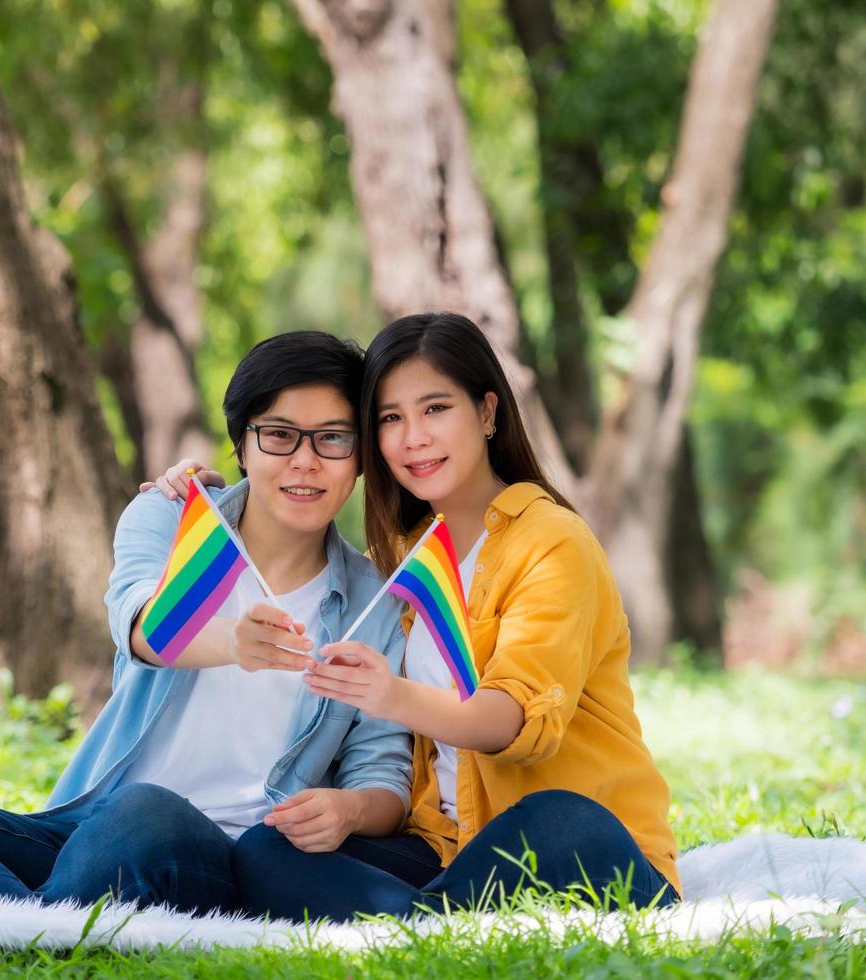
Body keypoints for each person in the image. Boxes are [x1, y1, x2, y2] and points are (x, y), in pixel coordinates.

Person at [0, 331, 412, 915]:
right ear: (242, 446)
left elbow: (383, 770)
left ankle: (20, 931)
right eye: (279, 435)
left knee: (147, 810)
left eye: (333, 438)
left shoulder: (377, 605)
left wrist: (349, 812)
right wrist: (233, 643)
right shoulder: (172, 519)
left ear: (362, 457)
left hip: (220, 854)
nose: (305, 460)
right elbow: (138, 628)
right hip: (90, 829)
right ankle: (33, 932)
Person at [154, 312, 680, 922]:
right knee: (269, 851)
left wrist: (388, 693)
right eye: (390, 419)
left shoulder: (551, 542)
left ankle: (412, 923)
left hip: (583, 848)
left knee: (555, 817)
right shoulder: (402, 561)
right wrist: (217, 492)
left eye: (435, 409)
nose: (413, 438)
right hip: (447, 852)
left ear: (486, 414)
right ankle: (432, 923)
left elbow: (515, 723)